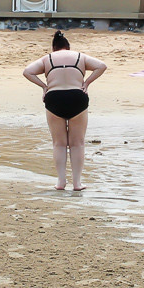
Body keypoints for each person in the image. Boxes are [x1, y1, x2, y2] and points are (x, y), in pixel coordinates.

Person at [22, 31, 107, 191]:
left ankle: (61, 182)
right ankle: (77, 183)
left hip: (54, 97)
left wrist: (44, 86)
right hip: (77, 96)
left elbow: (27, 71)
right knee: (77, 144)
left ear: (54, 48)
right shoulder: (80, 57)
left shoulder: (47, 58)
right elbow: (101, 66)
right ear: (68, 47)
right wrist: (87, 82)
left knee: (59, 144)